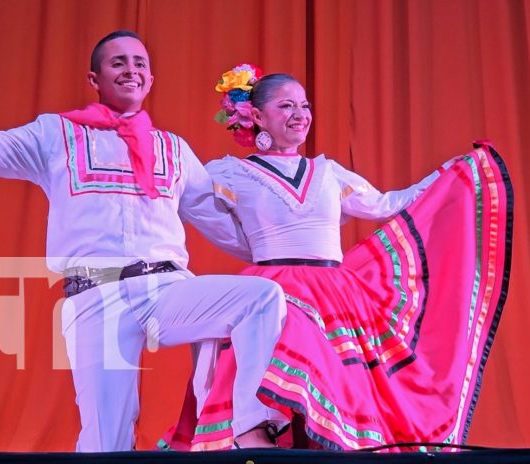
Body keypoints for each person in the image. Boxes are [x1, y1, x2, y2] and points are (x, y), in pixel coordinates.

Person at [0, 32, 292, 452]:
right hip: (97, 296)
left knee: (260, 297)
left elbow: (218, 222)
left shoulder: (172, 149)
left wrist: (289, 254)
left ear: (151, 79)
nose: (131, 70)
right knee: (107, 440)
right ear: (94, 79)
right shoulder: (56, 135)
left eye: (140, 63)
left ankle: (249, 426)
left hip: (167, 289)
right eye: (117, 62)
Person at [160, 66, 513, 451]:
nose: (300, 114)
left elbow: (387, 204)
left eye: (304, 105)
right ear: (257, 116)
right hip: (270, 290)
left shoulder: (328, 172)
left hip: (334, 295)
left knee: (334, 389)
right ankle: (261, 437)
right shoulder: (231, 172)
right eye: (286, 105)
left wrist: (452, 174)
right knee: (274, 365)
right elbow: (194, 207)